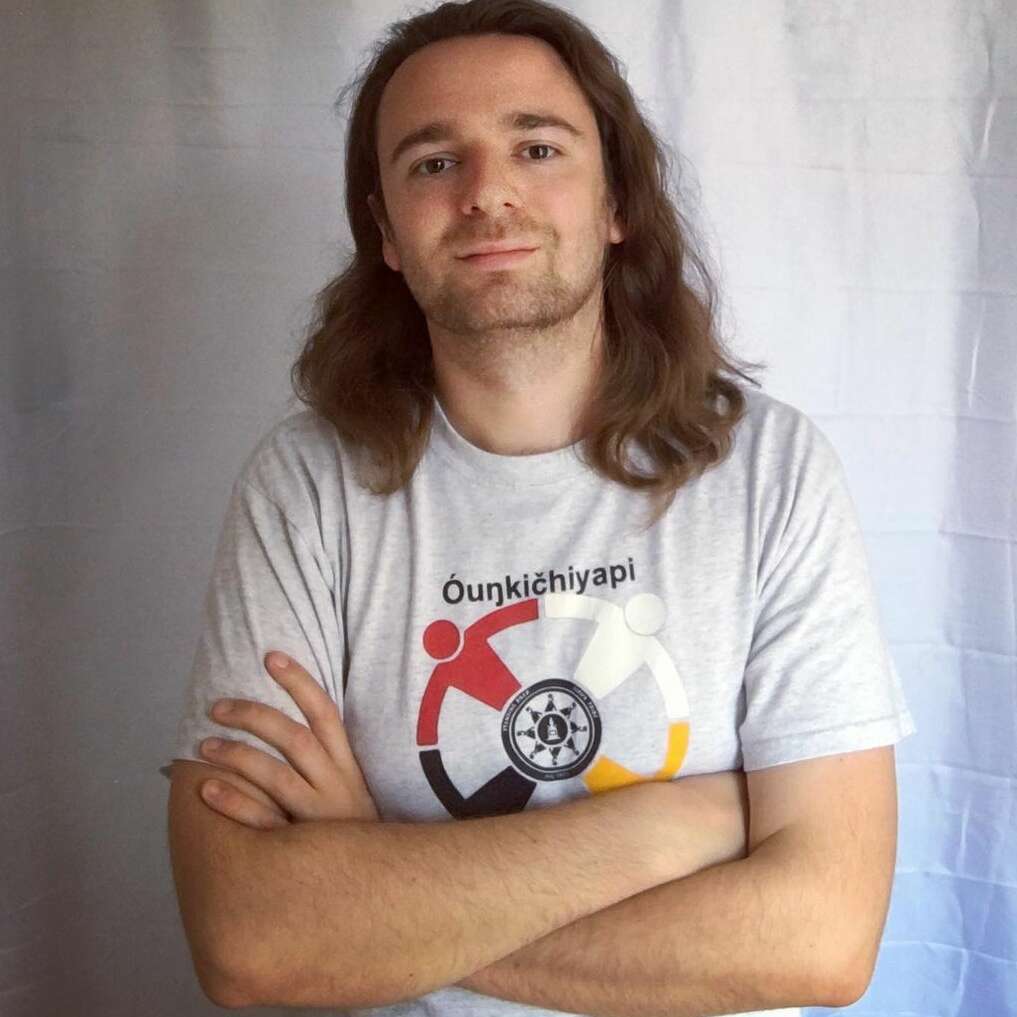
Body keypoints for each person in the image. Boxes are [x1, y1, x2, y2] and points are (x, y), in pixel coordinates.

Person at [165, 1, 916, 1015]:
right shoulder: (305, 487)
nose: (487, 192)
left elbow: (820, 941)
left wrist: (380, 883)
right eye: (435, 162)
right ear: (386, 233)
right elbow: (251, 942)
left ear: (616, 203)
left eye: (537, 147)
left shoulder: (768, 472)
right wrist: (672, 828)